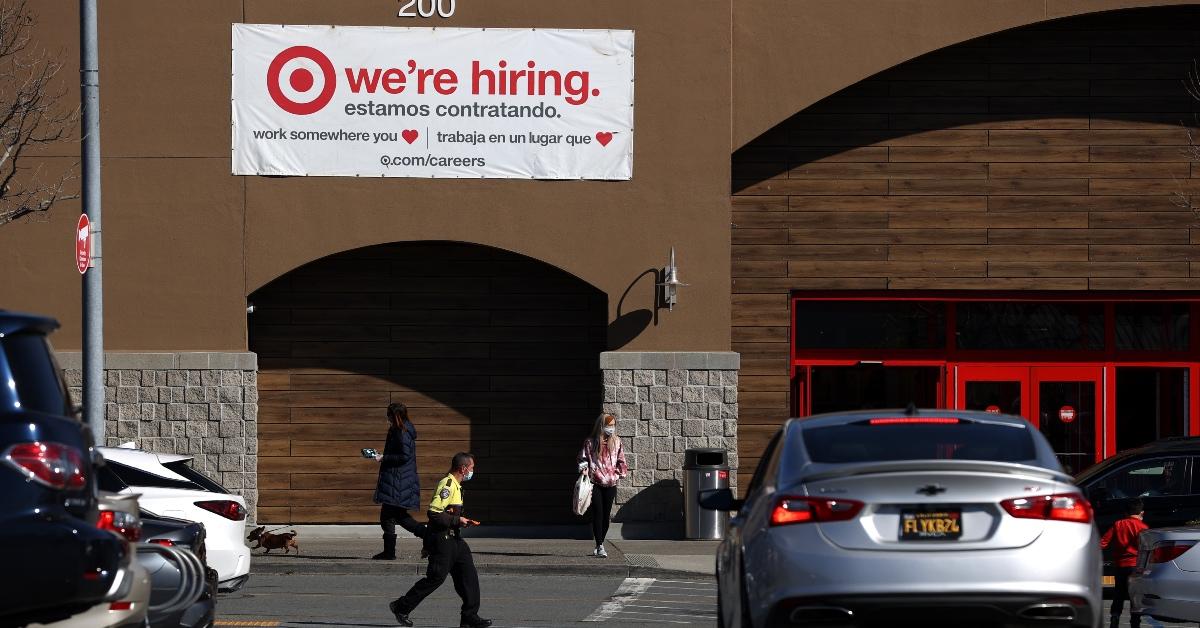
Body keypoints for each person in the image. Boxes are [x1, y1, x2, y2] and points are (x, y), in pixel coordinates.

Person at [389, 452, 492, 628]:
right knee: (436, 578)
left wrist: (461, 521)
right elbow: (434, 513)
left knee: (469, 577)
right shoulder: (448, 484)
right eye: (472, 468)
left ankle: (469, 616)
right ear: (463, 468)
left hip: (455, 539)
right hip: (442, 539)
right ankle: (401, 606)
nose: (473, 471)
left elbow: (450, 513)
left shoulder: (457, 486)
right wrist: (456, 520)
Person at [371, 402, 427, 560]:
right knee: (395, 516)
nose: (386, 418)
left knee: (393, 516)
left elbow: (404, 456)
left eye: (388, 414)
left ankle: (428, 537)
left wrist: (384, 457)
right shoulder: (401, 429)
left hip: (398, 481)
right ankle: (390, 552)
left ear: (394, 415)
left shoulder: (401, 432)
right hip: (399, 480)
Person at [577, 413, 628, 558]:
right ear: (601, 426)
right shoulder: (590, 442)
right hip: (595, 483)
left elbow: (621, 460)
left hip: (611, 483)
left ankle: (600, 543)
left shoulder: (617, 442)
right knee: (598, 513)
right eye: (608, 426)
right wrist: (585, 469)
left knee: (606, 516)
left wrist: (619, 474)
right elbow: (582, 458)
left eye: (612, 426)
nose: (610, 429)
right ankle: (599, 545)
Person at [1101, 499, 1149, 628]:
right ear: (1142, 513)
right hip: (1136, 566)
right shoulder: (1143, 528)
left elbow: (1103, 542)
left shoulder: (1118, 524)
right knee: (1135, 596)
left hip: (1120, 566)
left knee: (1119, 594)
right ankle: (1135, 622)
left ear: (1125, 512)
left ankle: (1114, 618)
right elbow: (1148, 548)